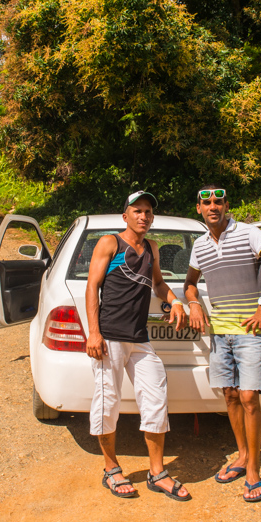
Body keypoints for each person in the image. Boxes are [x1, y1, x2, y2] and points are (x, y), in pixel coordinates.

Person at [183, 186, 261, 503]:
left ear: (227, 206)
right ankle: (242, 455)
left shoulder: (248, 233)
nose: (213, 206)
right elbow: (190, 283)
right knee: (230, 395)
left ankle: (254, 470)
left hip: (250, 330)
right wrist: (193, 304)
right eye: (207, 202)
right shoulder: (200, 246)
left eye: (219, 201)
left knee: (248, 398)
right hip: (220, 332)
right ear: (199, 209)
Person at [86, 190, 190, 501]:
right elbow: (92, 286)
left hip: (140, 337)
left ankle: (157, 473)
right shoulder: (110, 243)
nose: (144, 216)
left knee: (156, 398)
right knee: (108, 402)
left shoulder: (152, 248)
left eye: (148, 211)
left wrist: (176, 301)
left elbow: (157, 284)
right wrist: (93, 332)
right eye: (138, 210)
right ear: (126, 216)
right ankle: (111, 469)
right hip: (110, 336)